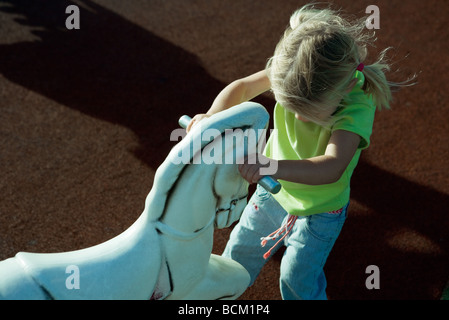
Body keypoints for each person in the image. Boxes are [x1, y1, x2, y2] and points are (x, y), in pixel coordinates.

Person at [186, 4, 414, 300]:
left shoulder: (357, 105)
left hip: (320, 211)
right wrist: (211, 118)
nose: (295, 116)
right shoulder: (296, 67)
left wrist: (271, 166)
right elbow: (242, 88)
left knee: (296, 280)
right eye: (288, 106)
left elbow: (331, 166)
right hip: (272, 194)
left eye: (303, 111)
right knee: (236, 258)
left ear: (342, 89)